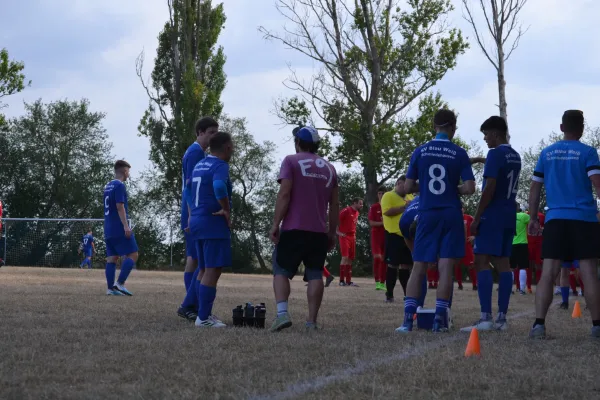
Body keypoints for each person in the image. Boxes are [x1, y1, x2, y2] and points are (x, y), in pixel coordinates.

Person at [397, 109, 475, 333]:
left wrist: (430, 190)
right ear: (452, 127)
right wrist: (452, 189)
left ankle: (407, 322)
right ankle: (440, 320)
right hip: (451, 212)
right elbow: (469, 188)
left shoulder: (420, 151)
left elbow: (409, 186)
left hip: (427, 211)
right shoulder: (459, 152)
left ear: (434, 126)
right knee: (446, 267)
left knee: (418, 265)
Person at [528, 110, 600, 339]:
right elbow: (597, 183)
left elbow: (535, 187)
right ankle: (597, 326)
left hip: (555, 218)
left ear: (561, 127)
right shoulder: (588, 152)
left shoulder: (547, 153)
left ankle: (539, 325)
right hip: (584, 218)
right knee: (588, 272)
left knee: (548, 272)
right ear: (582, 129)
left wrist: (532, 217)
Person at [269, 126, 339, 332]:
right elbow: (334, 205)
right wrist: (332, 232)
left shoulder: (290, 161)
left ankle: (282, 314)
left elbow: (284, 194)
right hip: (318, 231)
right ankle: (311, 322)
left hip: (294, 228)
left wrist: (275, 224)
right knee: (315, 274)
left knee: (281, 270)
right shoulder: (330, 168)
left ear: (297, 143)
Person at [460, 116, 521, 332]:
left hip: (492, 214)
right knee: (504, 263)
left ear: (495, 133)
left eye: (486, 134)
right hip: (508, 214)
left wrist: (476, 217)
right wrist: (478, 159)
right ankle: (502, 319)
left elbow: (489, 188)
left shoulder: (494, 153)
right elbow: (501, 169)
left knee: (481, 260)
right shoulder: (514, 155)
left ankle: (485, 317)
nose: (485, 139)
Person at [187, 131, 234, 328]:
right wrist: (226, 208)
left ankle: (202, 313)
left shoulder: (200, 164)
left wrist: (194, 212)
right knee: (213, 270)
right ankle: (203, 318)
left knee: (203, 269)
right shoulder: (220, 165)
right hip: (212, 222)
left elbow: (187, 187)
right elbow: (219, 187)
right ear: (227, 147)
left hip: (197, 220)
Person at [177, 116, 219, 322]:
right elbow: (190, 188)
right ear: (200, 132)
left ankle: (192, 304)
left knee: (193, 260)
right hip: (193, 212)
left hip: (192, 212)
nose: (214, 137)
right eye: (211, 132)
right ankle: (191, 305)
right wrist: (191, 216)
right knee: (198, 260)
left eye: (216, 133)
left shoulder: (197, 152)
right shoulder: (195, 153)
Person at [103, 160, 138, 296]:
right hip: (119, 226)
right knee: (133, 253)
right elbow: (119, 206)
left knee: (112, 257)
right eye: (128, 171)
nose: (129, 174)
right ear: (124, 171)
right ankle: (120, 284)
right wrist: (126, 226)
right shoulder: (119, 186)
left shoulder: (108, 186)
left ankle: (110, 289)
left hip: (108, 227)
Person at [381, 177, 414, 302]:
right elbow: (387, 212)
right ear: (398, 183)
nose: (407, 188)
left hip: (407, 235)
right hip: (393, 235)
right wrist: (404, 207)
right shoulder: (388, 196)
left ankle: (407, 295)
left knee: (406, 266)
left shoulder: (410, 196)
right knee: (392, 265)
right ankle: (389, 294)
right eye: (404, 186)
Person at [337, 198, 363, 286]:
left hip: (352, 237)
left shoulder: (357, 213)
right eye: (360, 204)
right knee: (344, 257)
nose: (361, 205)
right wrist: (338, 232)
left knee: (350, 258)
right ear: (354, 203)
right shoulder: (346, 211)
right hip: (344, 236)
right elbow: (337, 220)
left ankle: (348, 281)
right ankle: (341, 280)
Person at [368, 187, 387, 291]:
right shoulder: (374, 207)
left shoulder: (389, 206)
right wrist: (382, 223)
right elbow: (371, 223)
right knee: (377, 257)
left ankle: (382, 282)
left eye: (383, 193)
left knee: (384, 259)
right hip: (376, 235)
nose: (381, 195)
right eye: (379, 193)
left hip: (387, 234)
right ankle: (377, 281)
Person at [511, 204, 531, 295]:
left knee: (510, 268)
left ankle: (509, 289)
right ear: (519, 208)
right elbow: (535, 221)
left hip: (512, 243)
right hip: (523, 243)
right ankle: (522, 290)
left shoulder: (508, 216)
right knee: (522, 267)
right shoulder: (524, 216)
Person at [456, 206, 477, 291]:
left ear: (464, 209)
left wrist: (474, 236)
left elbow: (478, 225)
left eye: (462, 208)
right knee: (457, 265)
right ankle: (459, 284)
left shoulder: (469, 218)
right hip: (457, 246)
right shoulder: (453, 218)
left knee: (471, 265)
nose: (460, 210)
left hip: (467, 246)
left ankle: (475, 284)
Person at [527, 207, 545, 291]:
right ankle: (536, 285)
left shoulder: (528, 215)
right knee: (536, 265)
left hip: (535, 241)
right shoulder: (527, 215)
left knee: (532, 265)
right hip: (534, 242)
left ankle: (529, 285)